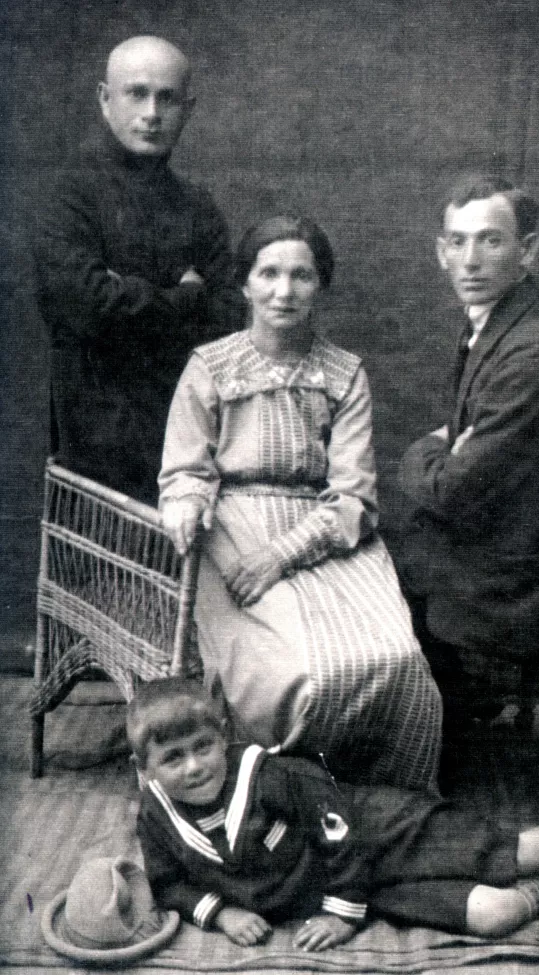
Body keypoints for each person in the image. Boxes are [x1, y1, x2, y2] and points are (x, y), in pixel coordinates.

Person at [159, 215, 442, 792]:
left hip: (328, 535)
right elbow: (185, 467)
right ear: (245, 284)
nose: (284, 292)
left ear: (321, 286)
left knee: (401, 665)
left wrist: (282, 555)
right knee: (301, 674)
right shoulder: (209, 367)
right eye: (269, 274)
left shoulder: (344, 374)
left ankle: (386, 801)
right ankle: (286, 793)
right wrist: (187, 502)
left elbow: (354, 494)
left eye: (301, 276)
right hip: (233, 535)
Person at [127, 678, 539, 950]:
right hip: (364, 888)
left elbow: (341, 838)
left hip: (383, 834)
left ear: (224, 739)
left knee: (522, 853)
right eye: (173, 758)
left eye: (204, 746)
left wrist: (340, 915)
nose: (195, 767)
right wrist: (224, 913)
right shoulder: (156, 815)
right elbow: (168, 884)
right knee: (496, 915)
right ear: (144, 769)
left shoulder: (273, 777)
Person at [397, 174, 539, 716]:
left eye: (491, 240)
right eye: (457, 242)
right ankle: (447, 704)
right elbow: (459, 455)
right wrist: (447, 449)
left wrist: (421, 453)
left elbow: (454, 487)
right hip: (504, 535)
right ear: (441, 252)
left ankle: (437, 720)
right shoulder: (500, 324)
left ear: (527, 251)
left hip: (516, 575)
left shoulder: (536, 353)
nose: (471, 260)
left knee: (374, 561)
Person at [32, 35, 243, 504]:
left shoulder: (197, 208)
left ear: (188, 109)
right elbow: (87, 308)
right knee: (102, 571)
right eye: (137, 93)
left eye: (167, 98)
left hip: (188, 439)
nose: (152, 112)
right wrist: (187, 299)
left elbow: (229, 320)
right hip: (95, 440)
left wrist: (125, 294)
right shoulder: (71, 197)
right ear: (105, 99)